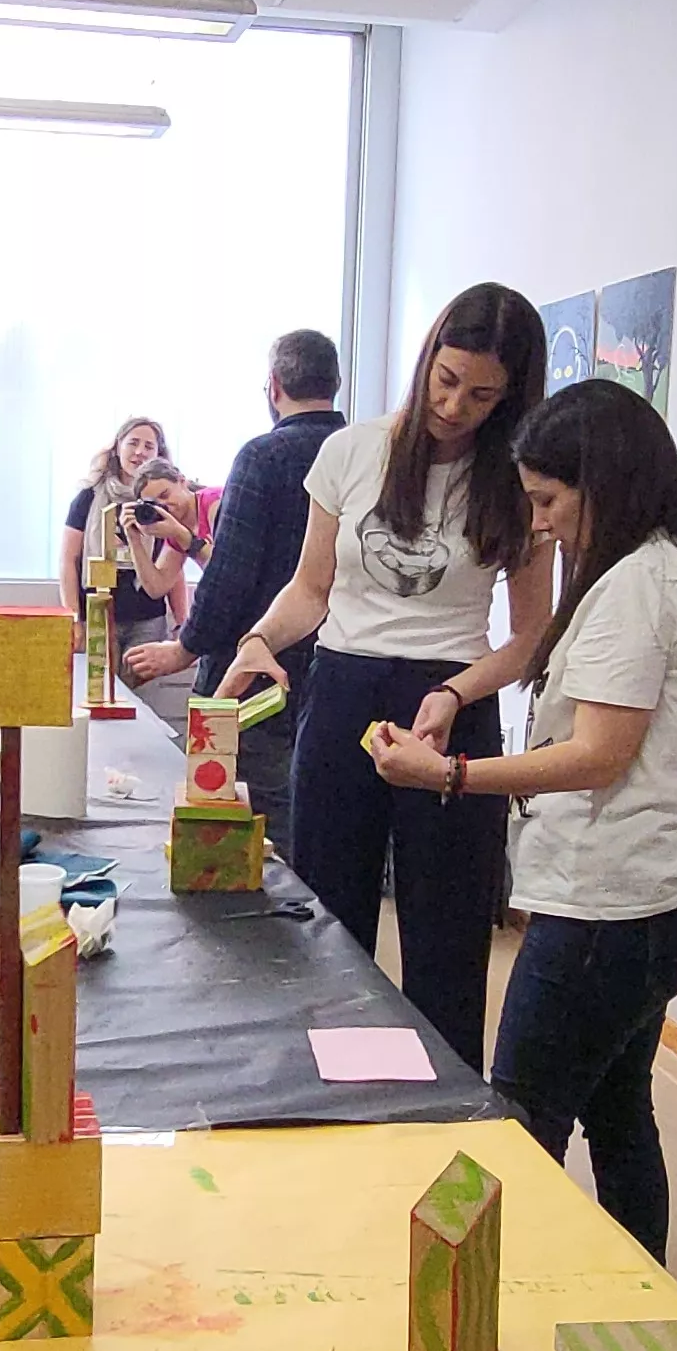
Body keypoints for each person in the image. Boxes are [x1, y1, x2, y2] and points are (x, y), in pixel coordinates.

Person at [368, 380, 677, 1260]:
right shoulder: (660, 571)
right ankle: (632, 1296)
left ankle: (505, 1306)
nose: (537, 524)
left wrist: (448, 773)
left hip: (610, 904)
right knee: (619, 1111)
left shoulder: (637, 586)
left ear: (602, 483)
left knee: (521, 1117)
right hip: (654, 892)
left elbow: (596, 755)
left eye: (547, 501)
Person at [220, 284, 558, 1068]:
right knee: (327, 921)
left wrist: (453, 691)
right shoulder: (352, 450)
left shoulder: (516, 478)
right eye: (444, 379)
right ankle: (326, 1093)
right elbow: (311, 589)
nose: (453, 405)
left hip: (452, 704)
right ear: (425, 361)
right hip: (343, 693)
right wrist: (255, 639)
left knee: (446, 933)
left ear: (511, 395)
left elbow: (531, 638)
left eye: (481, 394)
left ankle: (436, 1112)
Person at [175, 329, 346, 859]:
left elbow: (230, 573)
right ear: (336, 383)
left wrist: (186, 646)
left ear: (273, 387)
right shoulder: (365, 454)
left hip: (254, 671)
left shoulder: (263, 457)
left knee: (241, 818)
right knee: (319, 820)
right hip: (338, 670)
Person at [63, 416, 196, 721]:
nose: (139, 451)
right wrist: (73, 618)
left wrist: (182, 623)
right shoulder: (89, 497)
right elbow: (68, 561)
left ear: (158, 454)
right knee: (97, 698)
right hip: (98, 614)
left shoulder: (164, 503)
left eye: (149, 445)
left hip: (147, 617)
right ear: (117, 447)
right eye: (133, 443)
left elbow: (174, 565)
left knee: (140, 705)